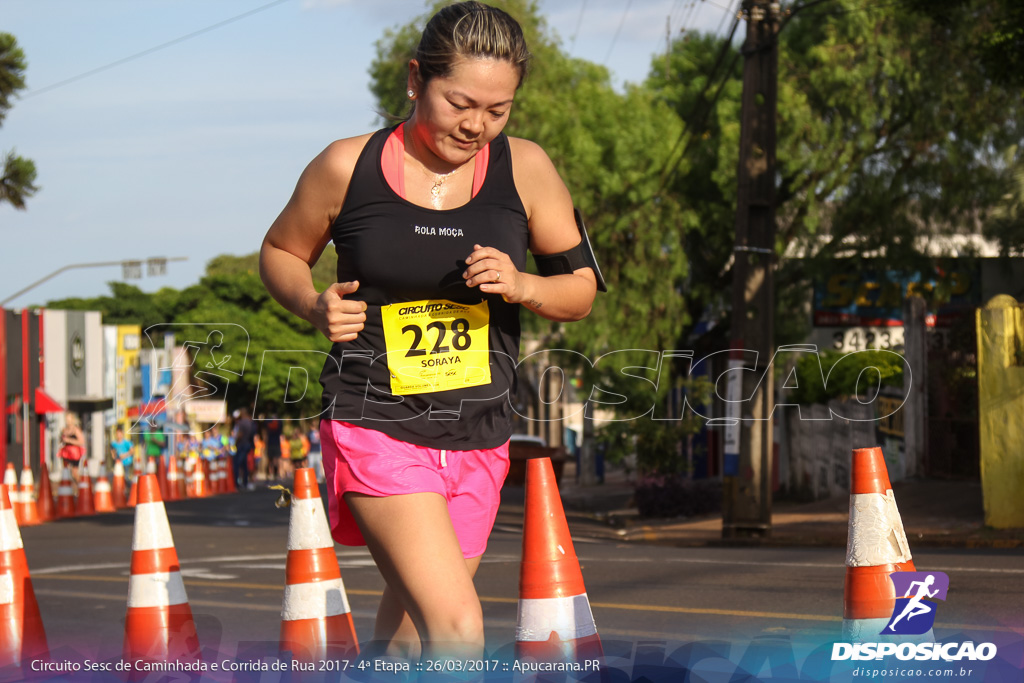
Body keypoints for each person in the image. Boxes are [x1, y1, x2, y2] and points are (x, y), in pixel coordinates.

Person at [259, 1, 597, 662]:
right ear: (416, 79)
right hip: (375, 417)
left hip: (478, 430)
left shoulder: (524, 169)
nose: (477, 125)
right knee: (458, 628)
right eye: (461, 102)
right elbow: (279, 250)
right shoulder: (345, 167)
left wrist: (522, 283)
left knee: (411, 633)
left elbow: (579, 288)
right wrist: (311, 302)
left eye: (498, 110)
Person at [231, 408, 256, 491]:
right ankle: (245, 482)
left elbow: (240, 435)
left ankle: (236, 483)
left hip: (241, 445)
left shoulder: (241, 423)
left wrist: (235, 442)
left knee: (237, 464)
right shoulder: (250, 423)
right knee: (244, 464)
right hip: (248, 444)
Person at [59, 413, 86, 479]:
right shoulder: (64, 430)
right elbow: (60, 440)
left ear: (72, 420)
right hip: (66, 452)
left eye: (69, 419)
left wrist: (69, 440)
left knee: (74, 472)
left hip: (74, 453)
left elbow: (82, 441)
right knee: (66, 471)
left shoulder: (76, 430)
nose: (67, 421)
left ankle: (79, 486)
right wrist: (62, 439)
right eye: (66, 419)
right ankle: (69, 486)